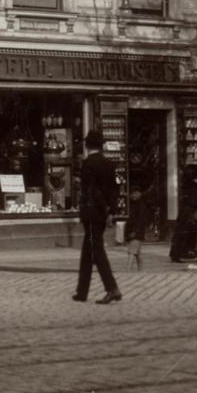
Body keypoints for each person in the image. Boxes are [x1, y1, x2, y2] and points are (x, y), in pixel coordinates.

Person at [73, 129, 121, 304]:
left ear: (87, 145)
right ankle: (82, 291)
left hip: (92, 212)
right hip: (101, 213)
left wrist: (102, 207)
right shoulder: (109, 164)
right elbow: (115, 189)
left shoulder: (88, 164)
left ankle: (112, 288)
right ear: (101, 145)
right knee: (88, 251)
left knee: (96, 251)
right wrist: (111, 210)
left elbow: (91, 189)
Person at [170, 166, 197, 262]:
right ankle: (180, 253)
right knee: (185, 233)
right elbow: (193, 200)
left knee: (183, 233)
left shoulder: (185, 185)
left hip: (186, 211)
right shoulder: (192, 186)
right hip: (189, 212)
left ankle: (179, 253)